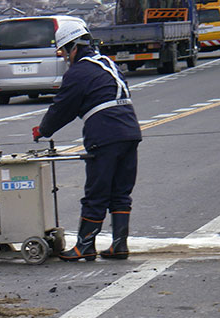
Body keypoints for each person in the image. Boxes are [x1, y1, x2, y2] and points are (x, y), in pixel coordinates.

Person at [32, 20, 142, 261]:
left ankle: (85, 245)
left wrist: (43, 130)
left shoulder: (79, 72)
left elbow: (62, 107)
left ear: (74, 47)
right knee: (120, 190)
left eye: (63, 51)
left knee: (97, 191)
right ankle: (119, 245)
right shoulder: (107, 63)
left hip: (105, 134)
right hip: (130, 130)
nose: (64, 58)